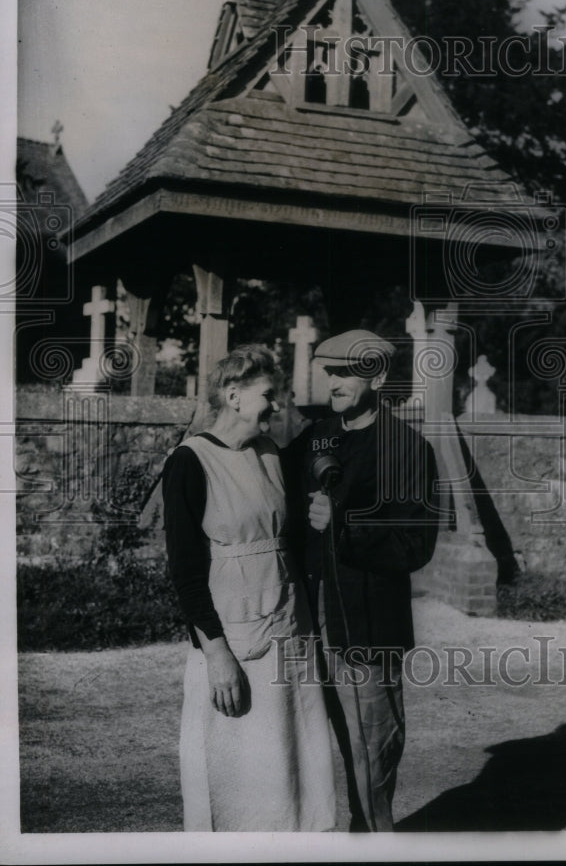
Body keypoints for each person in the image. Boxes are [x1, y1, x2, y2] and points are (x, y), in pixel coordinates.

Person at [162, 345, 335, 832]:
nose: (276, 406)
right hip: (234, 642)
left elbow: (295, 545)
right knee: (236, 767)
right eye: (268, 395)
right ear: (234, 396)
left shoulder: (271, 455)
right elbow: (187, 572)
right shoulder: (190, 462)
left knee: (293, 759)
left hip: (289, 630)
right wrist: (216, 654)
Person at [282, 330, 440, 832]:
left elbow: (415, 546)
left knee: (374, 742)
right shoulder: (316, 436)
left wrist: (346, 526)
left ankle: (377, 840)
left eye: (346, 371)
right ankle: (357, 833)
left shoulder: (406, 448)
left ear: (379, 376)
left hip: (369, 621)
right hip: (309, 614)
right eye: (329, 371)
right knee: (325, 736)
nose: (334, 381)